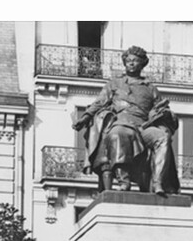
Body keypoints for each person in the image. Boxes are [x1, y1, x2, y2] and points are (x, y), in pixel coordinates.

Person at [72, 45, 180, 196]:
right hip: (122, 123)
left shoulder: (150, 88)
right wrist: (85, 117)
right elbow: (99, 102)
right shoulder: (115, 83)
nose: (131, 63)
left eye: (135, 60)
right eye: (128, 60)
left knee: (162, 138)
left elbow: (163, 109)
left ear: (142, 64)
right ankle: (124, 181)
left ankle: (157, 183)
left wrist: (163, 114)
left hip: (144, 127)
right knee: (118, 133)